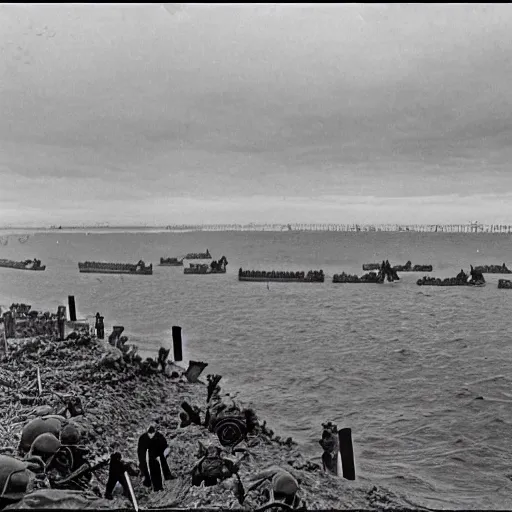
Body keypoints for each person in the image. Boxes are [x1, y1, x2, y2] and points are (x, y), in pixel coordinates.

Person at [137, 426, 172, 491]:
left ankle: (162, 482)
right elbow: (140, 451)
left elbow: (165, 447)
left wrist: (163, 454)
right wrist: (143, 461)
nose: (151, 436)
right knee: (147, 468)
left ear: (155, 432)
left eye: (152, 434)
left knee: (159, 468)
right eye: (149, 434)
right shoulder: (143, 438)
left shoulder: (159, 436)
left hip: (158, 454)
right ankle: (149, 482)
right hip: (148, 456)